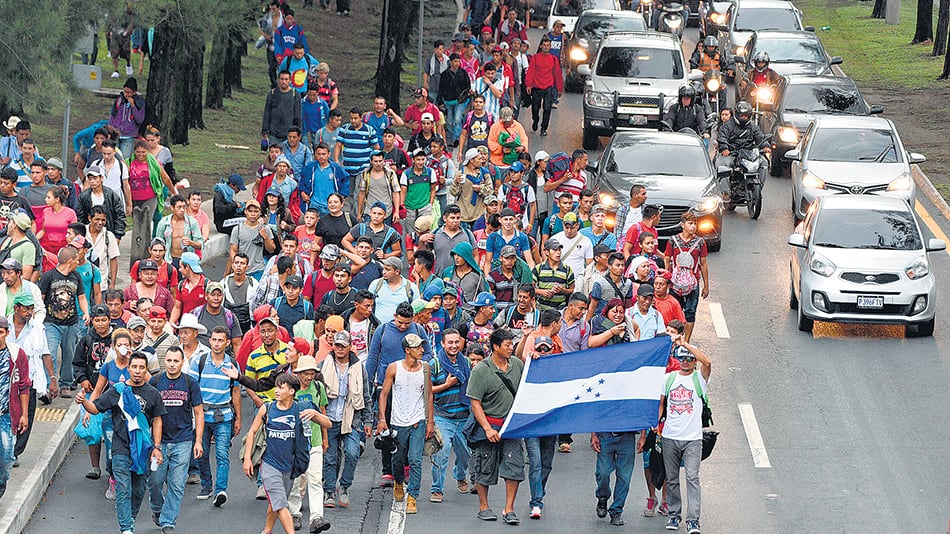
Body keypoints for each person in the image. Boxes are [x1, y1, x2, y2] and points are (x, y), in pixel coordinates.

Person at [75, 351, 165, 534]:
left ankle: (130, 518)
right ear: (128, 368)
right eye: (134, 367)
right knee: (124, 488)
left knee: (139, 490)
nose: (138, 371)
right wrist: (84, 401)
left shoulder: (153, 393)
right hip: (120, 448)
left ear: (146, 370)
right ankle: (126, 529)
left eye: (141, 367)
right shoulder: (117, 390)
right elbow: (95, 408)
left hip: (143, 450)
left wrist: (156, 447)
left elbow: (157, 420)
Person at [652, 330, 712, 534]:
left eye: (689, 359)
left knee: (693, 477)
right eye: (682, 358)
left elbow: (708, 362)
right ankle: (674, 515)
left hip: (693, 439)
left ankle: (693, 520)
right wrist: (655, 422)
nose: (685, 362)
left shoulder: (699, 380)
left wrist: (685, 344)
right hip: (670, 436)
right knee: (671, 478)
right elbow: (661, 404)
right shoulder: (668, 378)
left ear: (693, 361)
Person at [465, 328, 524, 524]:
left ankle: (509, 509)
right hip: (489, 425)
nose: (510, 348)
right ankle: (484, 506)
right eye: (507, 345)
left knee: (514, 467)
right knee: (484, 467)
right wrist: (488, 429)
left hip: (511, 427)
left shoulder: (516, 364)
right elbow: (475, 403)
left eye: (511, 344)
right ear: (495, 347)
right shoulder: (482, 369)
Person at [242, 373, 312, 534]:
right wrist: (247, 459)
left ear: (292, 391)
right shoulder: (267, 408)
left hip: (289, 466)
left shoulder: (300, 410)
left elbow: (321, 427)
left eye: (281, 387)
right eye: (276, 387)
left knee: (276, 502)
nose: (276, 390)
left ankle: (267, 530)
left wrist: (316, 416)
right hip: (269, 464)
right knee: (280, 503)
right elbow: (252, 432)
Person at [377, 333, 435, 514]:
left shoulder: (425, 368)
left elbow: (430, 394)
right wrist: (381, 419)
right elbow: (384, 394)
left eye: (421, 347)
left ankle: (413, 496)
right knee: (398, 458)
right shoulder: (394, 369)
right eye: (418, 347)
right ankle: (399, 482)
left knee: (416, 460)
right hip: (397, 421)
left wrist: (430, 421)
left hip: (418, 421)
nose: (422, 350)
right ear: (407, 350)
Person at [148, 347, 204, 533]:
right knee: (155, 481)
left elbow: (198, 412)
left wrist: (198, 441)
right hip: (159, 442)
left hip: (183, 440)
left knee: (177, 484)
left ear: (182, 362)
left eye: (176, 361)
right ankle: (157, 508)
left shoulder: (190, 383)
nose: (172, 364)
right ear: (165, 362)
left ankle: (168, 521)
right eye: (169, 360)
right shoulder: (156, 381)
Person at [190, 326, 242, 504]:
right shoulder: (199, 361)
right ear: (209, 341)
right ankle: (206, 485)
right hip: (202, 415)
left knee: (222, 453)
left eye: (221, 340)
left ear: (227, 343)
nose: (217, 343)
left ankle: (220, 490)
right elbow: (192, 389)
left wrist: (239, 418)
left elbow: (236, 392)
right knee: (201, 453)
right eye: (214, 339)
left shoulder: (233, 364)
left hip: (224, 415)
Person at [40, 247, 90, 393]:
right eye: (76, 260)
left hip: (71, 323)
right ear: (70, 261)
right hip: (51, 322)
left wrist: (86, 312)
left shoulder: (76, 277)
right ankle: (49, 385)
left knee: (70, 355)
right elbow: (41, 299)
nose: (78, 262)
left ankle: (66, 384)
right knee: (50, 353)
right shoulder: (48, 276)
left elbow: (81, 297)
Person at [429, 328, 472, 500]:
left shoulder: (467, 363)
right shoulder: (435, 364)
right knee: (442, 450)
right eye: (450, 342)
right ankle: (436, 488)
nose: (454, 346)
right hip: (442, 416)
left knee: (465, 453)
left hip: (463, 417)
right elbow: (427, 391)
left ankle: (460, 475)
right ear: (443, 344)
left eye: (456, 342)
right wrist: (446, 385)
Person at [663, 212, 709, 342]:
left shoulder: (700, 242)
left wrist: (706, 286)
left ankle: (686, 341)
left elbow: (703, 264)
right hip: (675, 282)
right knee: (674, 311)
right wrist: (667, 278)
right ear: (682, 225)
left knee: (690, 312)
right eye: (690, 223)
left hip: (693, 282)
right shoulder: (672, 241)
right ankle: (673, 338)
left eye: (695, 224)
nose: (693, 226)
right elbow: (667, 259)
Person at [0, 315, 30, 499]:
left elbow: (24, 386)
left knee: (6, 455)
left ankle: (1, 484)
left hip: (6, 415)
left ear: (7, 333)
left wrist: (24, 414)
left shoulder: (17, 354)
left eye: (0, 332)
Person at [227, 200, 276, 280]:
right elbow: (233, 250)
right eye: (250, 211)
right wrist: (236, 265)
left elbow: (271, 249)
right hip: (242, 270)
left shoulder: (265, 228)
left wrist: (265, 237)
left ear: (260, 213)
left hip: (258, 269)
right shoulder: (237, 229)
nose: (253, 214)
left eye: (256, 211)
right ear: (245, 212)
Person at [76, 165, 127, 242]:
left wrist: (118, 236)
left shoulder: (111, 195)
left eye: (95, 178)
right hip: (90, 235)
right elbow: (80, 218)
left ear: (101, 178)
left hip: (108, 232)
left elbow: (119, 216)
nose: (92, 181)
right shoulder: (83, 197)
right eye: (90, 179)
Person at [525, 37, 563, 136]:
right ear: (541, 46)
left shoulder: (554, 59)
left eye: (548, 45)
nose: (546, 47)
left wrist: (559, 89)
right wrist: (528, 84)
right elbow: (531, 71)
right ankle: (535, 120)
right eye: (544, 45)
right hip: (537, 86)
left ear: (550, 47)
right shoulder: (535, 57)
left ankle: (544, 128)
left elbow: (557, 74)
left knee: (547, 108)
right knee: (535, 107)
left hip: (548, 86)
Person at [369, 257, 419, 323]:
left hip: (402, 329)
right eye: (383, 268)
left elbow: (417, 310)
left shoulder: (411, 287)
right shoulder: (376, 284)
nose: (383, 272)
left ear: (397, 272)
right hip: (379, 328)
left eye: (387, 270)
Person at [262, 70, 302, 147]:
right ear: (278, 80)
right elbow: (267, 112)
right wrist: (265, 131)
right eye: (281, 79)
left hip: (289, 133)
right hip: (274, 132)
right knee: (274, 155)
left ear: (290, 81)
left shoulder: (295, 94)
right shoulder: (272, 93)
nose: (283, 81)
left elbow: (298, 114)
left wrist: (298, 132)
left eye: (286, 79)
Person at [109, 78, 146, 159]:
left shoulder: (139, 102)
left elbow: (140, 119)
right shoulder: (119, 100)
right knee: (114, 157)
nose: (126, 94)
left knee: (124, 159)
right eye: (125, 91)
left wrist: (133, 106)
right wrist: (112, 127)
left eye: (129, 92)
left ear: (134, 92)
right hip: (116, 134)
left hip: (129, 136)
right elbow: (113, 115)